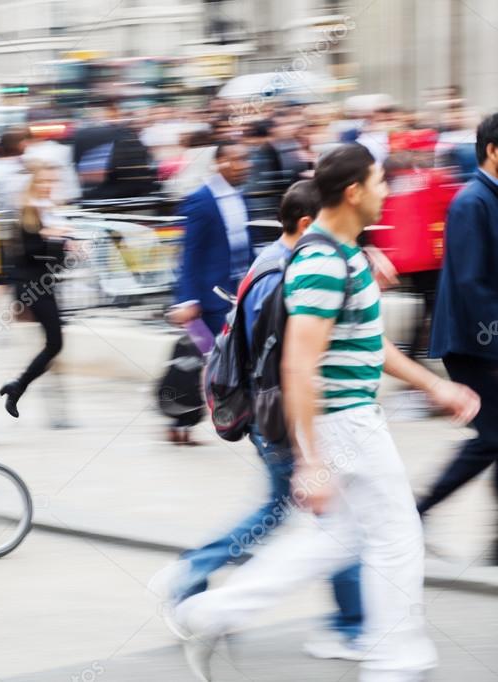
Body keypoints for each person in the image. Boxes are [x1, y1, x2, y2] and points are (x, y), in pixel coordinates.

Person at [170, 144, 480, 682]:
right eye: (381, 181)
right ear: (355, 191)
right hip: (346, 422)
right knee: (397, 533)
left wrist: (435, 386)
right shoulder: (322, 261)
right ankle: (395, 661)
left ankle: (208, 614)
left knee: (336, 540)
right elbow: (298, 364)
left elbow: (368, 345)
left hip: (346, 422)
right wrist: (311, 460)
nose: (389, 191)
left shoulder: (344, 254)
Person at [150, 180, 365, 661]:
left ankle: (192, 577)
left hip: (269, 417)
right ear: (308, 225)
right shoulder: (283, 275)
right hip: (278, 421)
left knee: (295, 514)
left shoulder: (270, 262)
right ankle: (350, 626)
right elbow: (288, 362)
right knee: (330, 520)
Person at [420, 112, 498, 564]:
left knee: (497, 435)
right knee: (492, 437)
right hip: (473, 342)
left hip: (485, 338)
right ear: (493, 150)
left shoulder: (490, 197)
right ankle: (418, 511)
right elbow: (472, 286)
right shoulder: (471, 202)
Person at [0, 162, 74, 419]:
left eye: (52, 182)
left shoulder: (50, 213)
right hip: (31, 285)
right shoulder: (28, 213)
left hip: (43, 284)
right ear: (33, 184)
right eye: (42, 182)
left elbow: (56, 262)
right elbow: (29, 253)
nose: (47, 187)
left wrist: (63, 245)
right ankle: (18, 386)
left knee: (54, 344)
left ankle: (18, 386)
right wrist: (51, 238)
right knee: (55, 343)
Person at [169, 141, 253, 336]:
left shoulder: (241, 197)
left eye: (247, 159)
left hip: (241, 294)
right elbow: (190, 252)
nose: (247, 165)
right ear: (220, 162)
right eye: (239, 160)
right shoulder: (201, 200)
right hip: (213, 302)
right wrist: (189, 299)